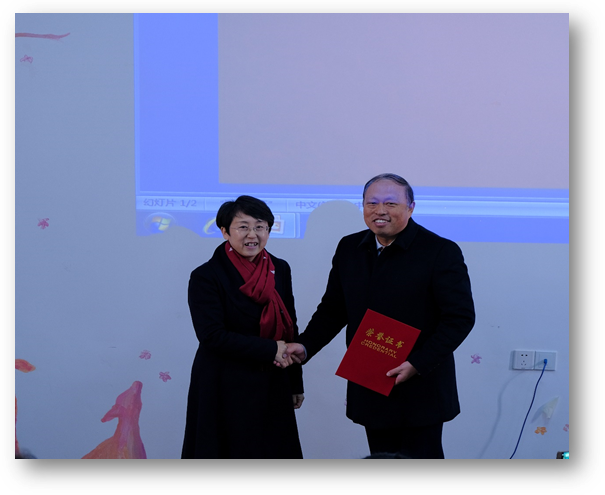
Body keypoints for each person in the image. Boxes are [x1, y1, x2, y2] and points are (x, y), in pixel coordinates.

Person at [282, 174, 475, 459]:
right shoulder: (350, 248)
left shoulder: (439, 251)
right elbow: (334, 308)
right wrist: (306, 344)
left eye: (390, 203)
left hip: (420, 385)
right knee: (381, 464)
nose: (380, 210)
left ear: (410, 207)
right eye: (371, 203)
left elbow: (460, 318)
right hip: (371, 381)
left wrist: (417, 364)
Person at [181, 195, 304, 459]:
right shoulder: (206, 275)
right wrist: (270, 349)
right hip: (224, 383)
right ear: (225, 231)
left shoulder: (280, 268)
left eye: (260, 227)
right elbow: (212, 336)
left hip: (273, 380)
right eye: (243, 227)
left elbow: (289, 327)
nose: (252, 235)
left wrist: (295, 382)